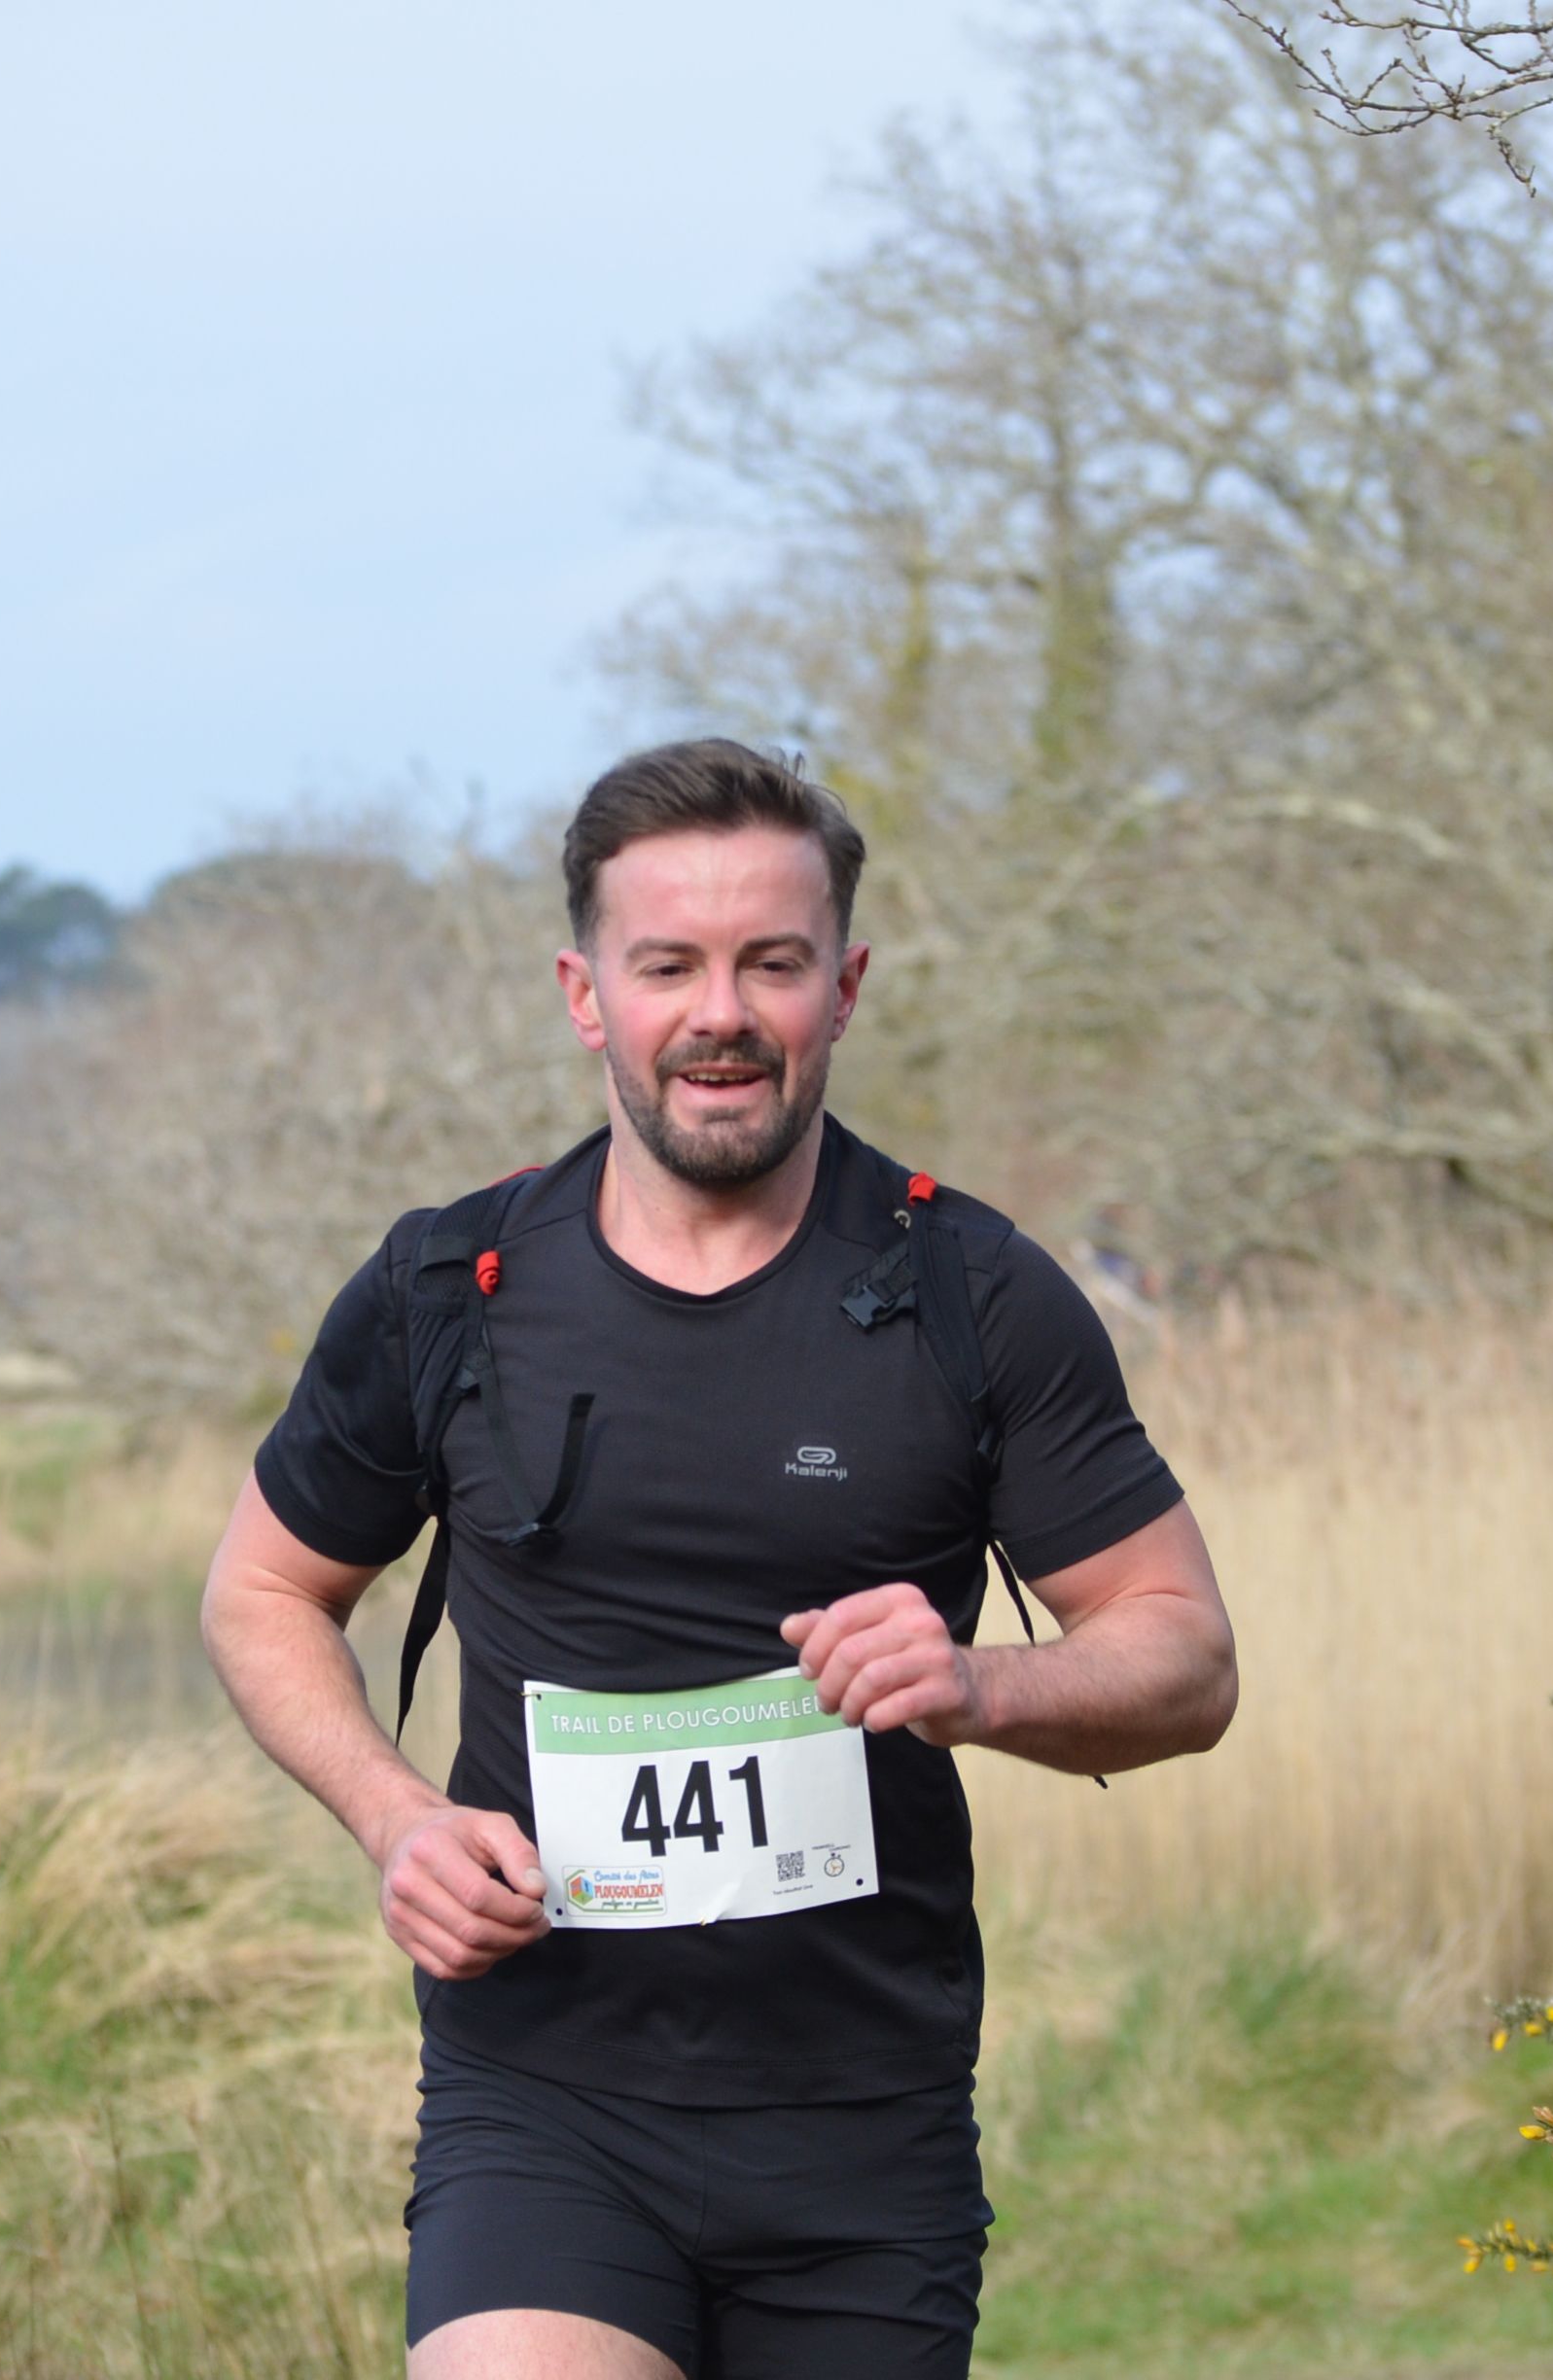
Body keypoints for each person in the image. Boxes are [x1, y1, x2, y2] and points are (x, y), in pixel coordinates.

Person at [198, 739, 1238, 2378]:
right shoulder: (448, 1288)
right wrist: (396, 1820)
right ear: (586, 995)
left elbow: (1185, 1656)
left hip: (864, 2125)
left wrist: (982, 1684)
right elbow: (264, 1589)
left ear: (846, 985)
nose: (722, 1014)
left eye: (773, 962)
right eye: (668, 965)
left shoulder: (972, 1291)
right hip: (543, 2104)